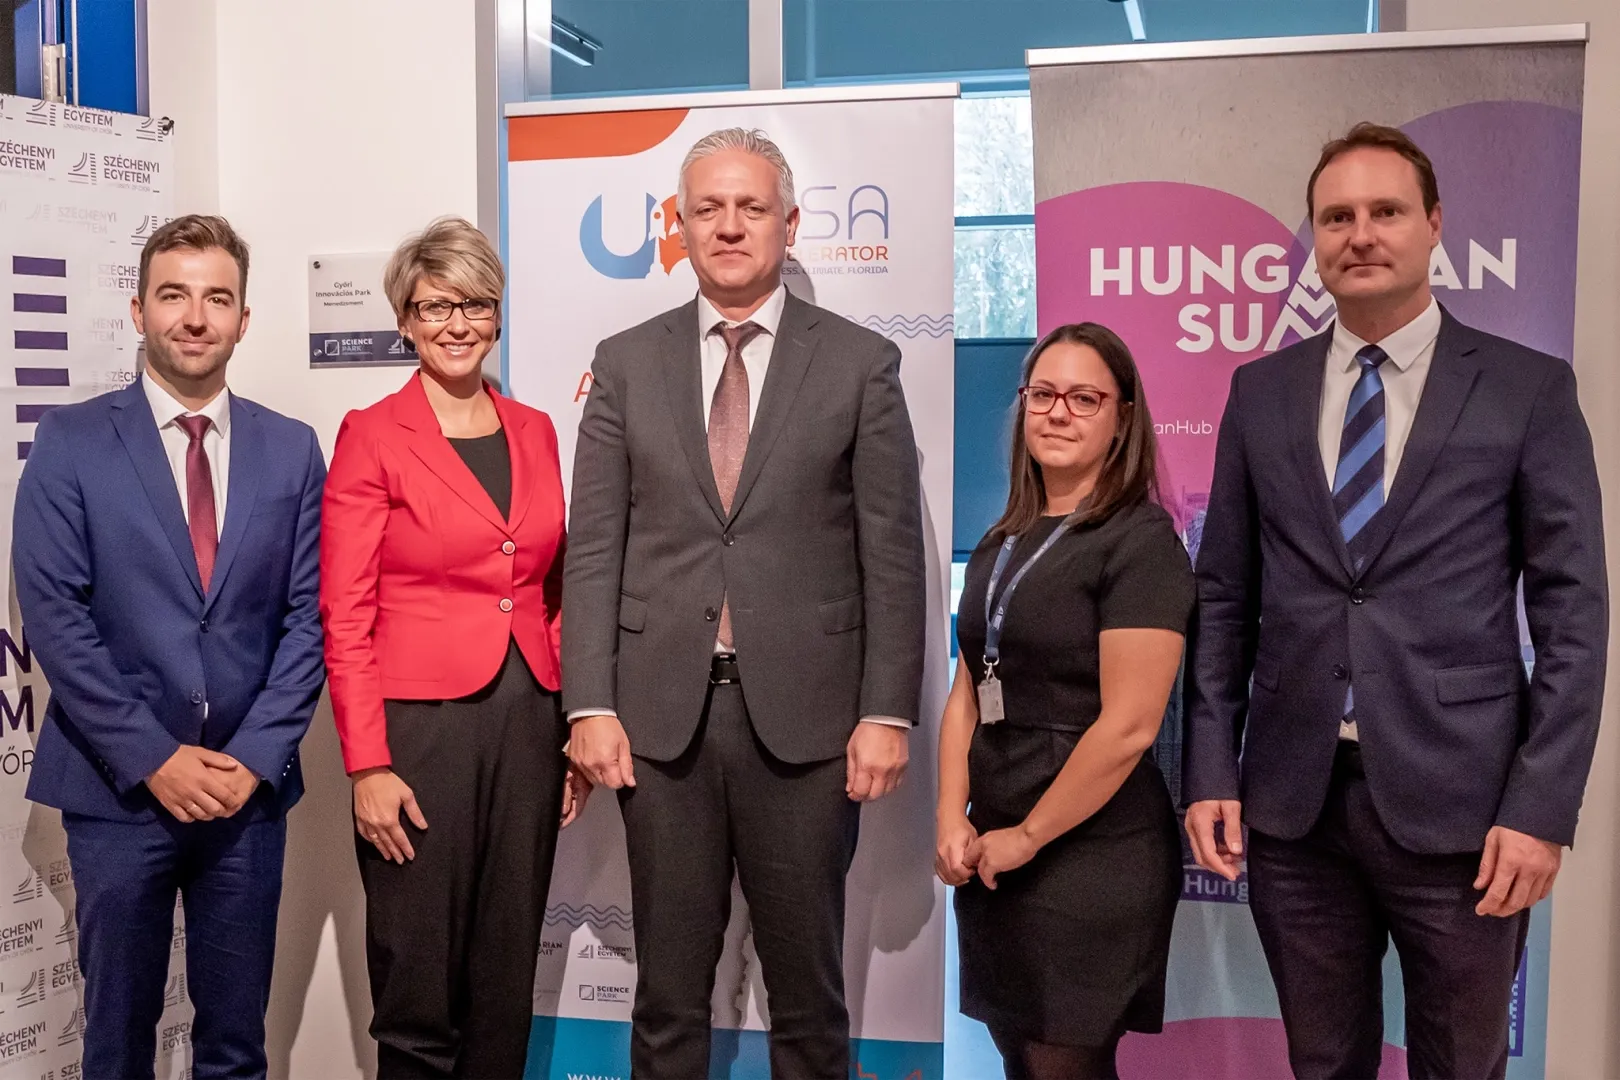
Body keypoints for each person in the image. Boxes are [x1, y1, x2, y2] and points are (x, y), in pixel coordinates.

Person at [1184, 122, 1607, 1080]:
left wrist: (1542, 808)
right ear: (1316, 240)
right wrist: (1212, 768)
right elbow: (1224, 602)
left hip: (1465, 814)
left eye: (1385, 212)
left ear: (1434, 227)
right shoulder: (1262, 393)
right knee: (1322, 1062)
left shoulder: (1526, 389)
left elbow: (1573, 618)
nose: (1360, 234)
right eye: (1337, 217)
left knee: (1459, 1066)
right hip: (1293, 810)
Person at [563, 127, 926, 1079]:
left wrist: (886, 711)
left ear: (791, 223)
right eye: (707, 208)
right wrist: (589, 704)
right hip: (658, 723)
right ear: (677, 225)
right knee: (669, 995)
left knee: (808, 997)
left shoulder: (859, 362)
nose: (728, 226)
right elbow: (595, 546)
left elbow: (889, 555)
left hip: (810, 727)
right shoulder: (626, 359)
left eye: (751, 207)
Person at [14, 214, 326, 1079]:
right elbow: (56, 619)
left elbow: (311, 618)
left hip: (245, 799)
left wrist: (254, 756)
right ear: (139, 309)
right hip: (118, 796)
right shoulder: (71, 441)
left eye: (216, 298)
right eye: (175, 295)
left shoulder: (292, 449)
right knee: (117, 1044)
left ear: (243, 318)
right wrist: (155, 757)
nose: (196, 316)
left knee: (236, 1045)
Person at [320, 216, 585, 1078]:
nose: (457, 323)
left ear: (498, 313)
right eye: (435, 306)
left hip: (527, 724)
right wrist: (367, 766)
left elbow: (551, 594)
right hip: (417, 736)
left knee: (506, 975)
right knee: (419, 980)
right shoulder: (372, 433)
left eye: (474, 302)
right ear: (404, 319)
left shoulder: (536, 430)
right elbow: (345, 613)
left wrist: (571, 730)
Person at [938, 324, 1192, 1080]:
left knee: (1064, 1067)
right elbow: (965, 694)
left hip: (1091, 849)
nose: (1059, 412)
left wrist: (1029, 835)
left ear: (1122, 419)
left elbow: (1130, 726)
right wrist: (953, 812)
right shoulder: (1002, 538)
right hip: (996, 844)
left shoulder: (1142, 543)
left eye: (1085, 398)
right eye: (1043, 394)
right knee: (1022, 1061)